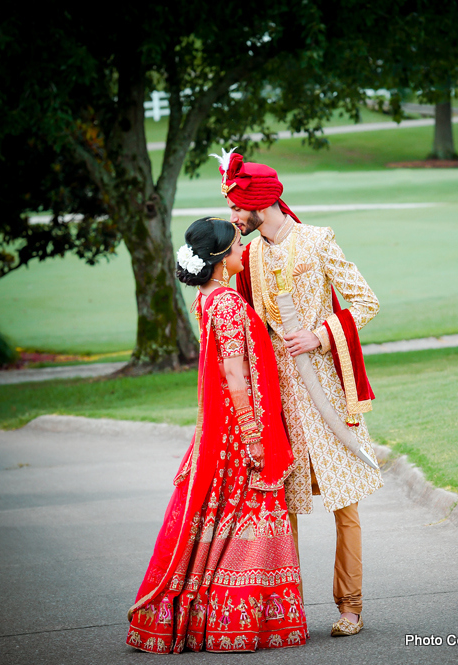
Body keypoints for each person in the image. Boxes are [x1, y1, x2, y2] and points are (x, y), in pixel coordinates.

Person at [212, 149, 382, 637]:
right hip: (280, 398)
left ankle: (350, 606)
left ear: (258, 204)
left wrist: (320, 335)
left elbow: (367, 302)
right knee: (281, 511)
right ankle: (285, 610)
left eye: (235, 209)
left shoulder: (317, 240)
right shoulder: (250, 256)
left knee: (344, 504)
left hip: (327, 393)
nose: (232, 218)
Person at [126, 217, 308, 654]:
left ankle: (213, 618)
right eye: (236, 246)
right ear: (221, 259)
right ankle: (237, 621)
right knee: (248, 513)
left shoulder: (206, 298)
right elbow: (233, 372)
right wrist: (253, 436)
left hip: (220, 425)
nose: (243, 250)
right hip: (236, 426)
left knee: (221, 514)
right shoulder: (225, 303)